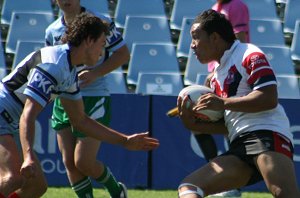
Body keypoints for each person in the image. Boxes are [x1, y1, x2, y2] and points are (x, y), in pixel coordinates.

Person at [0, 13, 159, 198]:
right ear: (89, 41)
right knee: (13, 178)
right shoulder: (54, 64)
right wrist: (28, 155)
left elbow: (80, 121)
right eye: (101, 44)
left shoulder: (68, 72)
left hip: (12, 120)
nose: (102, 52)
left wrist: (125, 141)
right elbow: (29, 113)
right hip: (3, 113)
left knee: (37, 187)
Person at [177, 9, 300, 198]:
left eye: (196, 37)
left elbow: (269, 98)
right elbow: (227, 125)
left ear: (215, 38)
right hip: (239, 145)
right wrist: (191, 122)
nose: (192, 46)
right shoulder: (214, 77)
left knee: (285, 194)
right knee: (189, 187)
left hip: (266, 133)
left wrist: (223, 103)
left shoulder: (249, 53)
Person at [45, 1, 132, 197]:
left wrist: (94, 74)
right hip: (64, 98)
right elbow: (51, 65)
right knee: (69, 162)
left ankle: (116, 191)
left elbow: (123, 54)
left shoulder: (100, 23)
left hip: (94, 96)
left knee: (83, 161)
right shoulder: (52, 31)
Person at [193, 2, 250, 197]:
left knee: (231, 127)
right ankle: (225, 182)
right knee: (198, 125)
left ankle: (230, 185)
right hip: (217, 75)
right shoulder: (214, 7)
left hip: (233, 76)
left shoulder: (237, 6)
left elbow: (240, 43)